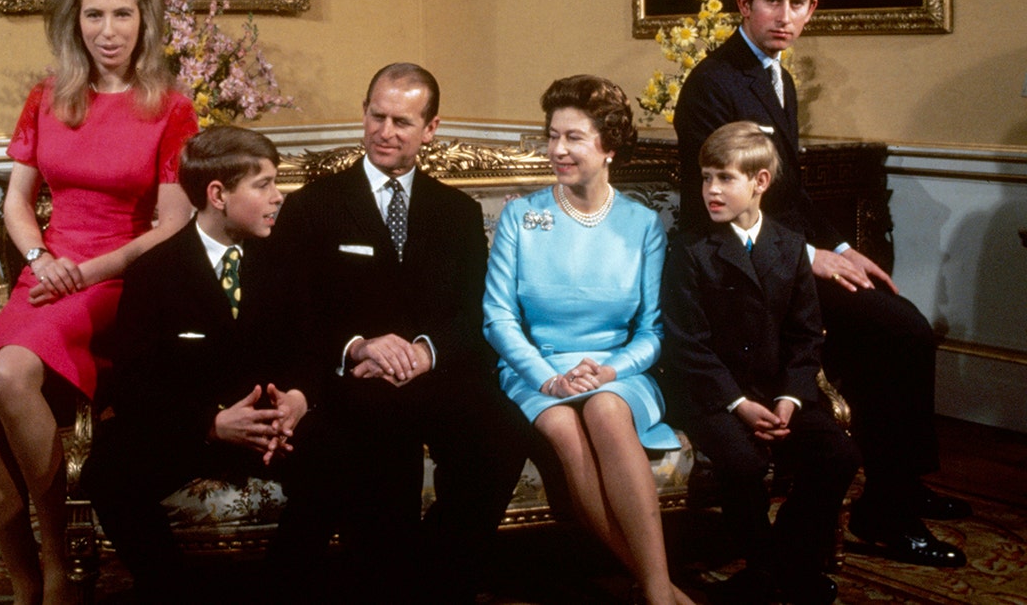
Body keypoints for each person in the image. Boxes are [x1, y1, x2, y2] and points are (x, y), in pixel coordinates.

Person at [673, 0, 968, 568]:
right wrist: (809, 257)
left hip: (789, 253)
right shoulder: (713, 83)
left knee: (900, 323)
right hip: (744, 269)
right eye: (772, 1)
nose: (785, 15)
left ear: (813, 11)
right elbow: (716, 203)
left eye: (798, 4)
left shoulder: (775, 74)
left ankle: (895, 487)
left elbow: (791, 188)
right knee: (900, 331)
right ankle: (885, 510)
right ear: (743, 5)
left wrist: (839, 248)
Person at [0, 0, 198, 604]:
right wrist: (41, 259)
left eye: (123, 13)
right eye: (95, 14)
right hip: (51, 271)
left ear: (145, 22)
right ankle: (23, 576)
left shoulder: (170, 107)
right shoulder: (47, 97)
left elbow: (171, 225)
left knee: (6, 375)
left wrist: (82, 271)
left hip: (119, 278)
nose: (109, 30)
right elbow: (15, 199)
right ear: (76, 20)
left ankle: (59, 558)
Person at [264, 63, 529, 603]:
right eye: (377, 116)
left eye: (402, 122)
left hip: (434, 372)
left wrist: (427, 353)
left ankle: (436, 578)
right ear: (364, 114)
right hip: (353, 376)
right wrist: (358, 345)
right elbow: (293, 312)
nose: (386, 131)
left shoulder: (456, 211)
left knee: (503, 432)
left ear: (430, 129)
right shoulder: (314, 206)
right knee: (380, 438)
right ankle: (390, 581)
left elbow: (471, 312)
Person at [483, 75, 693, 605]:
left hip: (618, 371)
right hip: (536, 369)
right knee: (563, 426)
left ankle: (653, 589)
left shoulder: (642, 224)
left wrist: (611, 371)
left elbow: (653, 330)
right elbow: (498, 318)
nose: (557, 149)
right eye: (552, 135)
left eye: (574, 137)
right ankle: (661, 592)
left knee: (604, 410)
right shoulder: (522, 216)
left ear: (609, 146)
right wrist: (546, 376)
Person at [80, 126, 303, 602]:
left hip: (275, 430)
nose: (278, 197)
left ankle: (282, 587)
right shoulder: (155, 273)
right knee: (108, 469)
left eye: (275, 183)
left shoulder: (288, 260)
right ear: (217, 194)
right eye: (262, 185)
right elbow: (135, 386)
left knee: (353, 447)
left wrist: (297, 402)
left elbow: (310, 349)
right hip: (195, 434)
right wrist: (212, 424)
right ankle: (170, 590)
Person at [662, 121, 862, 605]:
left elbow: (805, 335)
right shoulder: (689, 248)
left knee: (838, 454)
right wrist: (739, 405)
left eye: (725, 178)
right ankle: (762, 566)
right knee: (745, 463)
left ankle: (789, 556)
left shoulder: (790, 245)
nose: (711, 189)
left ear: (761, 182)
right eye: (706, 177)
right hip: (713, 394)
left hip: (779, 391)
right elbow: (687, 344)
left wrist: (791, 399)